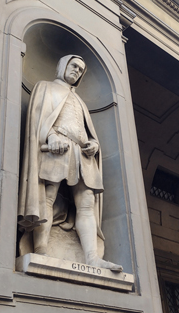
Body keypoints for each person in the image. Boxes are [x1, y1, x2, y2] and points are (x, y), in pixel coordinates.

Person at [18, 54, 122, 271]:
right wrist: (50, 136)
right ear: (63, 66)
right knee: (47, 195)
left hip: (82, 154)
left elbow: (87, 131)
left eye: (81, 70)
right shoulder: (45, 87)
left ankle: (92, 257)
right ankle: (41, 249)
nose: (77, 71)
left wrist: (94, 144)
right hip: (56, 147)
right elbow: (38, 119)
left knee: (86, 202)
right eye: (74, 65)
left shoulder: (80, 100)